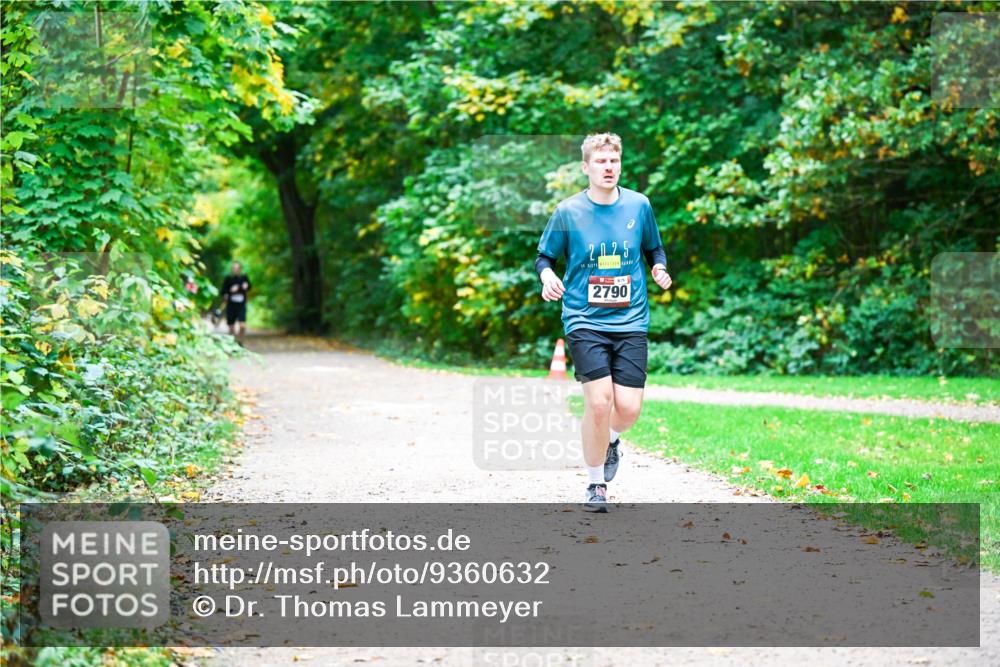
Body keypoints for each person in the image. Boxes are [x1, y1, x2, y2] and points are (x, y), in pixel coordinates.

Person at [535, 133, 672, 512]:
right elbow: (544, 258)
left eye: (614, 161)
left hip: (630, 319)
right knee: (599, 403)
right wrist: (548, 277)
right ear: (586, 167)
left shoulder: (639, 206)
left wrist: (659, 267)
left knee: (627, 408)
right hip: (583, 318)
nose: (608, 168)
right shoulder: (568, 212)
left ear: (620, 165)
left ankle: (610, 440)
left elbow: (653, 248)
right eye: (601, 162)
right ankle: (596, 485)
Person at [221, 261, 251, 337]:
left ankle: (240, 342)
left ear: (240, 269)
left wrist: (246, 286)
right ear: (232, 269)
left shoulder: (244, 277)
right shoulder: (228, 279)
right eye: (234, 268)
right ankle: (232, 343)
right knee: (231, 327)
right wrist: (230, 291)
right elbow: (223, 291)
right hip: (231, 305)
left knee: (242, 325)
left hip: (241, 304)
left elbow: (250, 287)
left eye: (237, 268)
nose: (235, 270)